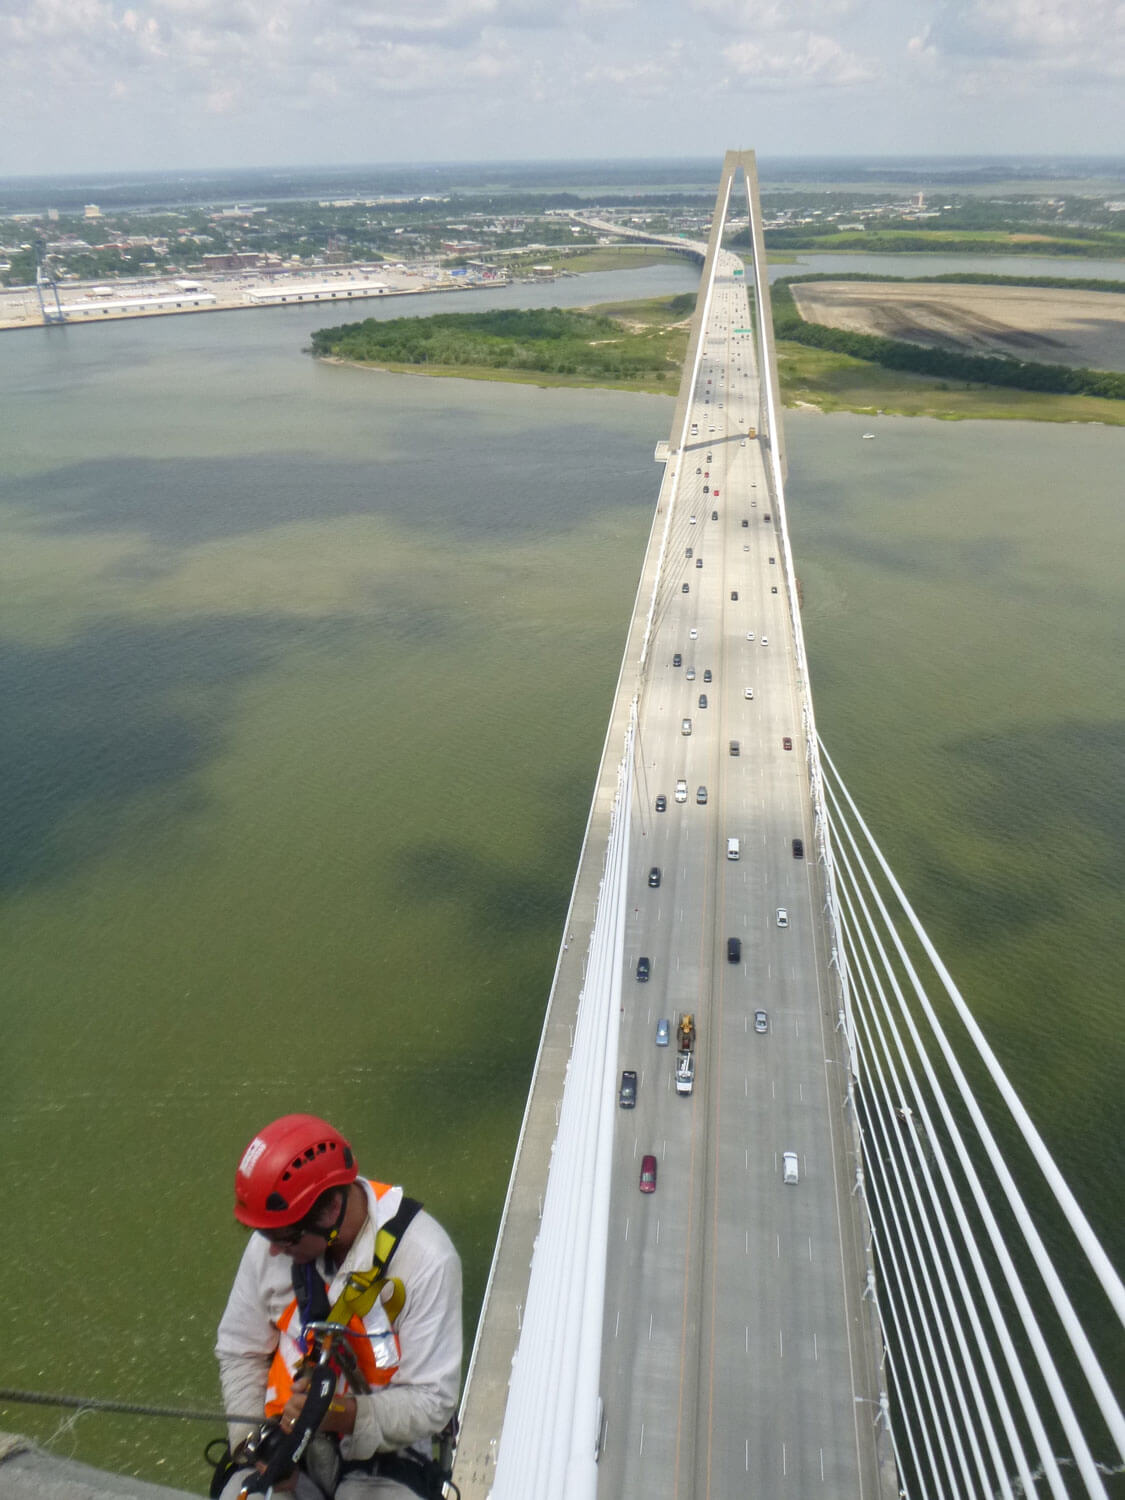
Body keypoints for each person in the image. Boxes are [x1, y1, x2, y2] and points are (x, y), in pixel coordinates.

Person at [215, 1114, 462, 1499]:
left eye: (285, 1238)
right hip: (282, 1440)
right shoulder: (273, 1239)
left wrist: (347, 1416)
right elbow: (239, 1350)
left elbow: (434, 1400)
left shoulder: (426, 1260)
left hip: (385, 1451)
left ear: (330, 1211)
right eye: (264, 1234)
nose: (273, 1250)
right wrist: (253, 1443)